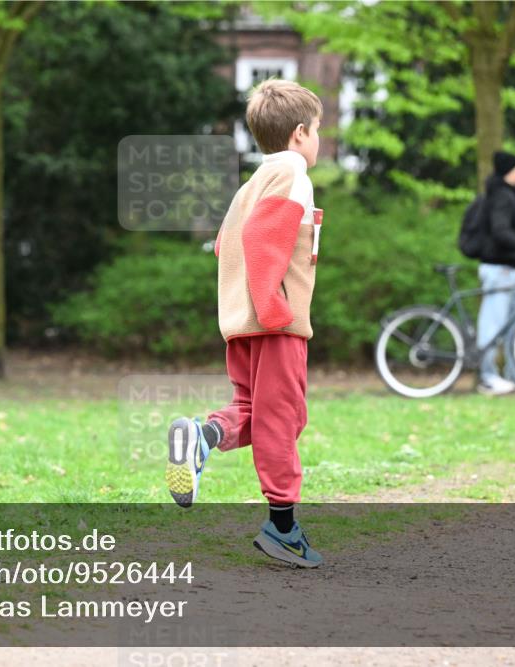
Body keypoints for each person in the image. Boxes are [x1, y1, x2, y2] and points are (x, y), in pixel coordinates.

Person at [165, 79, 324, 568]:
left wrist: (249, 306)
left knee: (260, 411)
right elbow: (260, 242)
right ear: (300, 133)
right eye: (318, 129)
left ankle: (203, 437)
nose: (319, 138)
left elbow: (223, 245)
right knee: (282, 419)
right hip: (274, 323)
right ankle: (282, 528)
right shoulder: (293, 174)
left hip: (242, 324)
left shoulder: (252, 183)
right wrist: (275, 308)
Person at [474, 151, 515, 396]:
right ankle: (488, 378)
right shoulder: (502, 196)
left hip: (509, 269)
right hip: (498, 270)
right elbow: (501, 231)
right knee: (492, 326)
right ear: (510, 170)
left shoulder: (508, 194)